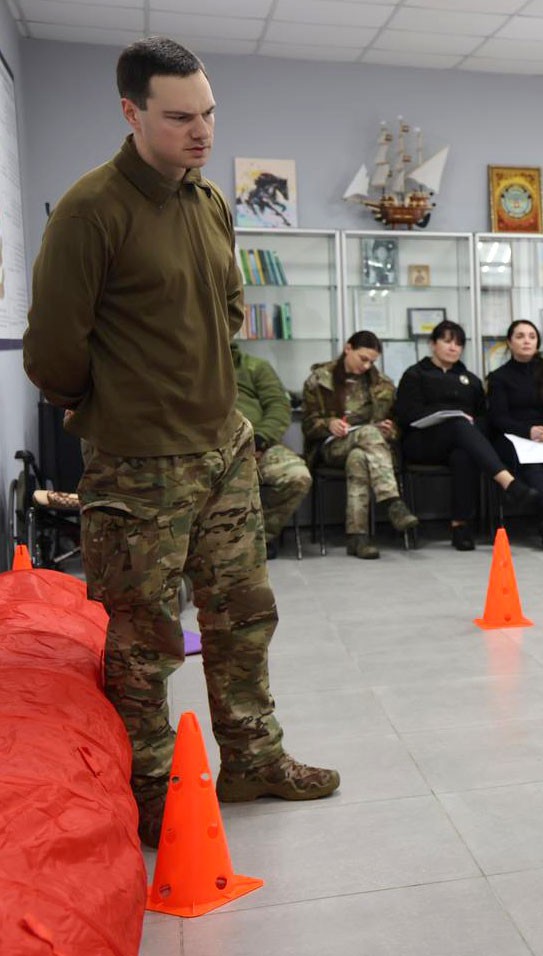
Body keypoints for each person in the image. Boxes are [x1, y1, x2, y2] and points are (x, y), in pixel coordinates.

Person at [21, 36, 338, 850]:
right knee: (145, 635)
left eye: (208, 114)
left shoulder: (207, 199)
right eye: (179, 117)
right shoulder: (92, 210)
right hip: (138, 461)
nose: (201, 132)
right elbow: (53, 349)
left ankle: (254, 757)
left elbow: (228, 304)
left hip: (223, 444)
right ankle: (150, 788)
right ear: (131, 114)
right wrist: (115, 403)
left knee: (241, 615)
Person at [393, 320, 542, 551]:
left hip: (462, 443)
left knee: (464, 453)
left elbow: (485, 417)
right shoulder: (415, 375)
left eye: (459, 344)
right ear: (433, 344)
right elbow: (406, 414)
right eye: (447, 341)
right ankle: (508, 483)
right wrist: (447, 416)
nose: (453, 348)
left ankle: (460, 525)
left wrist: (470, 423)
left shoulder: (470, 380)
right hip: (423, 442)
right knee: (458, 424)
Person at [301, 330, 419, 559]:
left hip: (370, 450)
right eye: (363, 359)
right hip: (331, 446)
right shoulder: (320, 379)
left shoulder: (382, 384)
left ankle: (358, 538)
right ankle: (392, 501)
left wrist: (389, 429)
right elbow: (307, 424)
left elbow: (397, 423)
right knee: (367, 434)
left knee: (359, 459)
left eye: (372, 362)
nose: (367, 366)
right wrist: (328, 424)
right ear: (348, 349)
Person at [486, 320, 543, 548]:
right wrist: (528, 431)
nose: (526, 340)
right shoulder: (499, 377)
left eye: (531, 336)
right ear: (509, 342)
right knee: (533, 462)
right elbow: (498, 418)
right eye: (520, 336)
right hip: (515, 436)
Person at [231, 342, 310, 560]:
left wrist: (260, 439)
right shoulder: (188, 368)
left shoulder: (255, 367)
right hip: (209, 449)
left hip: (259, 443)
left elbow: (278, 406)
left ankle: (261, 536)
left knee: (297, 477)